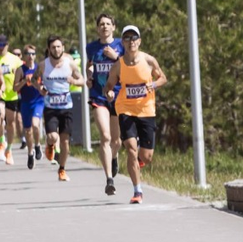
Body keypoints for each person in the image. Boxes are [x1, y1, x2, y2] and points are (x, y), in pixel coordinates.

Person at [104, 25, 169, 205]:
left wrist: (153, 85)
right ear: (122, 43)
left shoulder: (149, 60)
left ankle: (136, 163)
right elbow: (108, 85)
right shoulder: (118, 65)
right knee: (131, 148)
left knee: (146, 157)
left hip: (146, 110)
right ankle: (137, 191)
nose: (131, 41)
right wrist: (109, 92)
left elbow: (163, 78)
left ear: (139, 41)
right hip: (125, 109)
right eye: (127, 38)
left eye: (134, 38)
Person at [86, 13, 126, 195]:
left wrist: (115, 57)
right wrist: (89, 76)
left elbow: (128, 67)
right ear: (97, 28)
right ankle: (109, 179)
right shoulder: (91, 48)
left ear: (113, 27)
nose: (104, 27)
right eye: (101, 24)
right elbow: (90, 66)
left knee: (117, 141)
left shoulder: (121, 45)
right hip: (99, 96)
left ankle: (114, 156)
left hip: (117, 96)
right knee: (105, 137)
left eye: (108, 24)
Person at [41, 36, 84, 182]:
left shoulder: (69, 64)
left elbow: (82, 80)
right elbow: (35, 79)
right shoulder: (43, 65)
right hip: (50, 107)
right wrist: (40, 88)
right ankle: (50, 144)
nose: (56, 49)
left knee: (65, 141)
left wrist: (74, 81)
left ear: (63, 48)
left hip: (66, 107)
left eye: (59, 47)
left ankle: (62, 169)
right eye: (53, 47)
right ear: (49, 49)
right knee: (53, 136)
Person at [0, 34, 23, 164]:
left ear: (7, 45)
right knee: (0, 117)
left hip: (12, 94)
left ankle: (9, 149)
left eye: (3, 45)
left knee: (11, 123)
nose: (1, 47)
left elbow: (22, 72)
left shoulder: (14, 59)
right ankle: (1, 142)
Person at [14, 44, 45, 170]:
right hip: (26, 103)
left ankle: (37, 145)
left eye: (33, 54)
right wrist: (24, 81)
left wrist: (39, 86)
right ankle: (30, 153)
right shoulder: (20, 70)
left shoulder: (39, 68)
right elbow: (15, 88)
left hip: (38, 101)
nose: (30, 56)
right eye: (28, 54)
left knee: (35, 124)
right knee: (27, 130)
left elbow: (44, 84)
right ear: (24, 56)